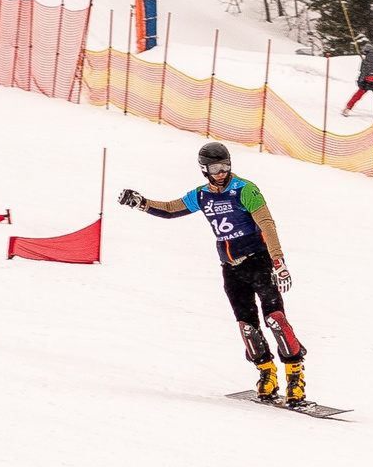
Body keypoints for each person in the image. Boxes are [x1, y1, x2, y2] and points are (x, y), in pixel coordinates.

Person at [119, 141, 309, 404]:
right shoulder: (201, 196)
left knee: (275, 319)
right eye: (216, 168)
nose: (222, 172)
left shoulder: (245, 189)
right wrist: (142, 203)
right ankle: (266, 373)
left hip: (259, 263)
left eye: (226, 166)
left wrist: (278, 260)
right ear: (204, 170)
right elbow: (171, 209)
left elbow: (266, 223)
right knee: (247, 326)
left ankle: (295, 375)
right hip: (231, 269)